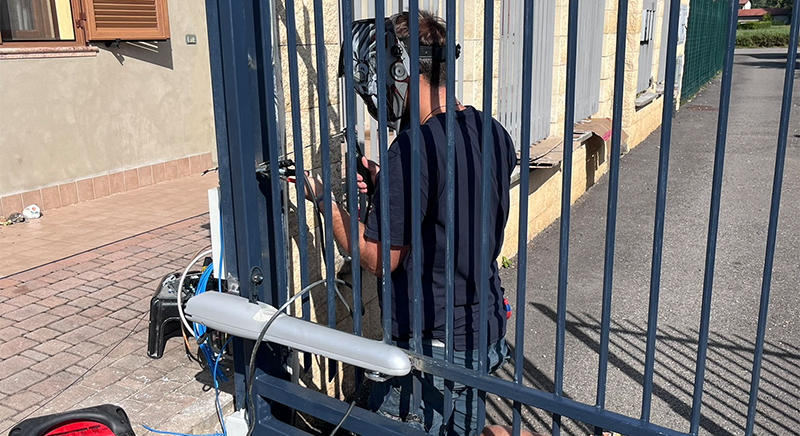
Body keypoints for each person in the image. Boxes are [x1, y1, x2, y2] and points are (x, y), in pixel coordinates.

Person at [303, 10, 516, 436]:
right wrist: (387, 184)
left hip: (433, 345)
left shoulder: (411, 150)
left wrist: (326, 201)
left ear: (400, 70)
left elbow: (378, 259)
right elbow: (457, 199)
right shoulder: (491, 130)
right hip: (482, 327)